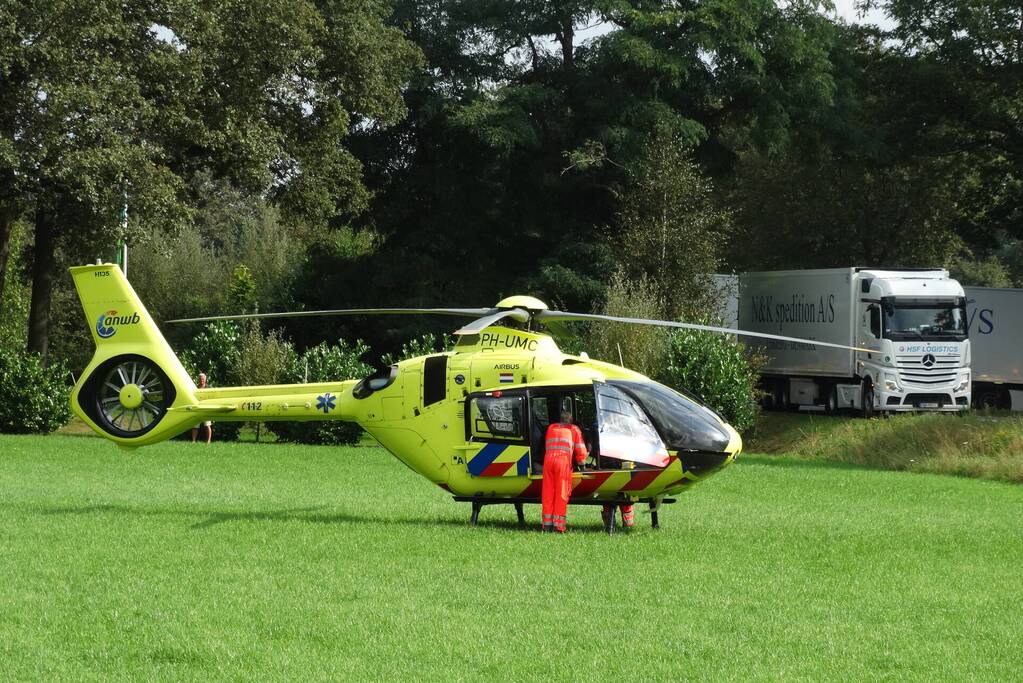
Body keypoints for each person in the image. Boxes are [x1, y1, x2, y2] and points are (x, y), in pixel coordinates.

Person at [541, 406, 588, 533]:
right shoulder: (573, 429)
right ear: (570, 421)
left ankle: (547, 525)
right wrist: (583, 464)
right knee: (561, 493)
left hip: (548, 461)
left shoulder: (551, 428)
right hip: (562, 461)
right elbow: (580, 450)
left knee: (548, 492)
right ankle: (559, 526)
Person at [191, 373, 213, 444]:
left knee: (207, 425)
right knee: (195, 426)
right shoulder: (195, 388)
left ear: (205, 380)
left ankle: (208, 441)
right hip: (197, 409)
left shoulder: (208, 388)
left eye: (203, 379)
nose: (201, 380)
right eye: (200, 379)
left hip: (206, 409)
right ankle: (193, 441)